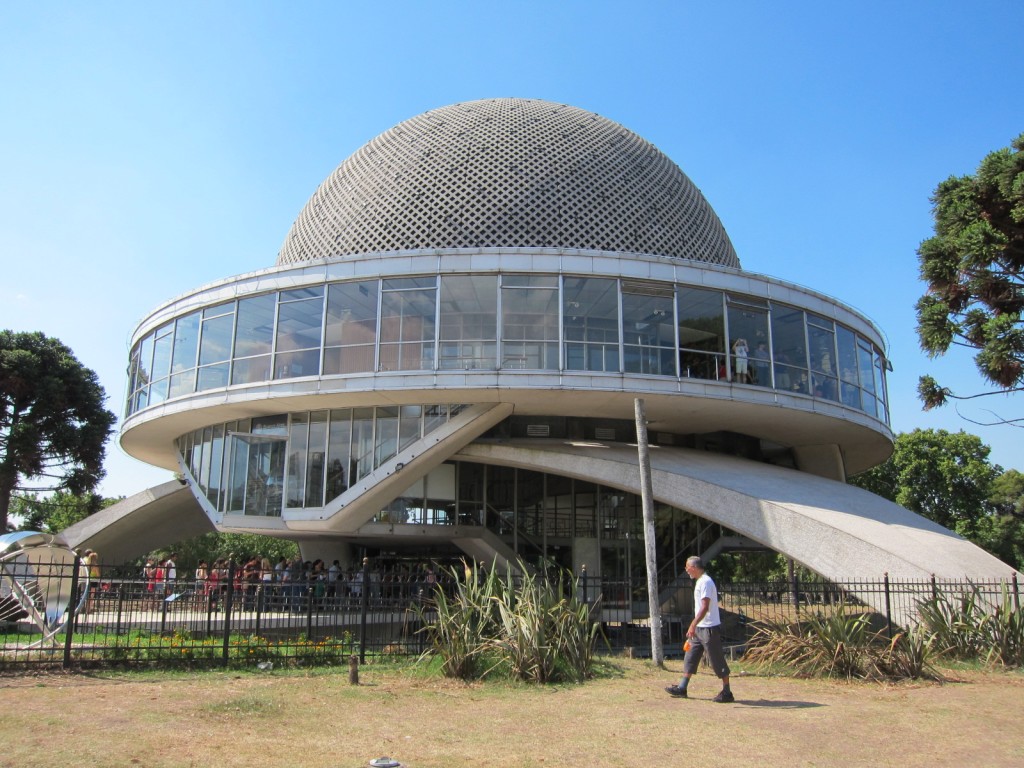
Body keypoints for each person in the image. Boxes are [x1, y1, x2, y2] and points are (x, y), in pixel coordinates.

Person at [665, 556, 734, 703]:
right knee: (690, 656)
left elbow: (705, 607)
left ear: (694, 567)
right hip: (699, 628)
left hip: (709, 628)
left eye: (687, 567)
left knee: (716, 660)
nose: (686, 570)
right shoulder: (700, 581)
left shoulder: (706, 582)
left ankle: (727, 691)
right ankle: (682, 687)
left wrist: (693, 624)